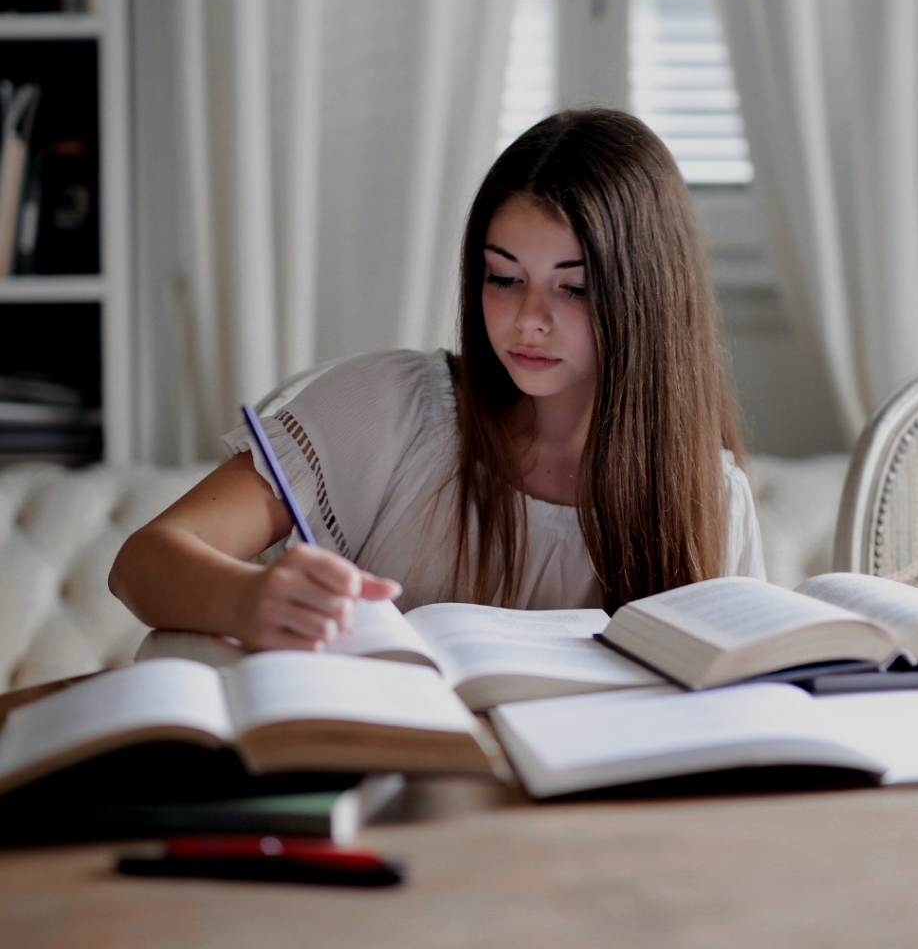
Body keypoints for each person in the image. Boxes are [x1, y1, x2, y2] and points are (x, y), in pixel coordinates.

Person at [109, 107, 765, 652]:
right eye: (503, 278)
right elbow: (141, 563)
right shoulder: (390, 410)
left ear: (644, 298)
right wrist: (247, 598)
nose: (528, 320)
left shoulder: (708, 499)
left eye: (574, 289)